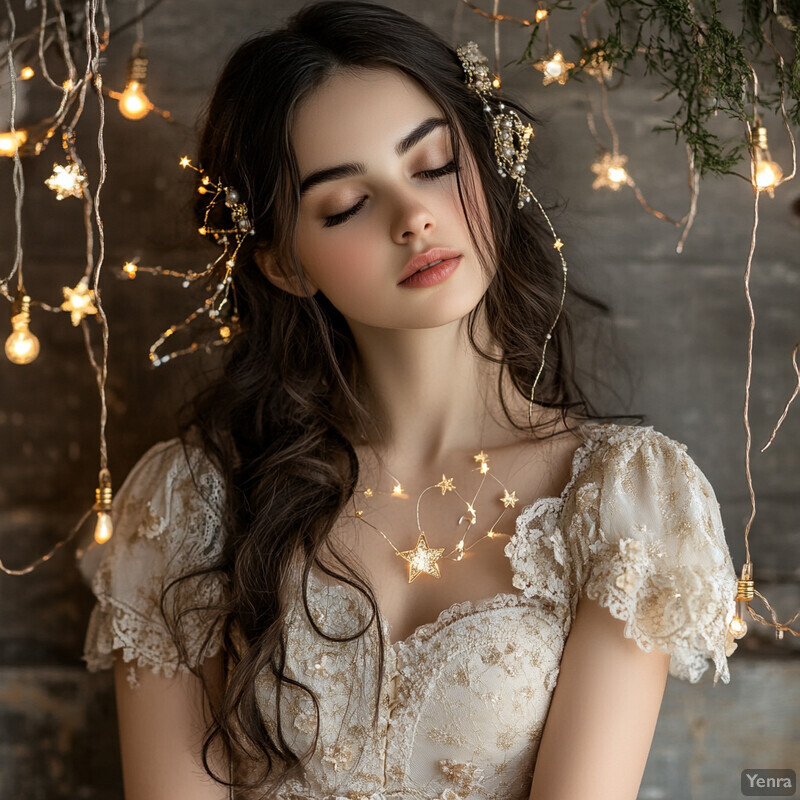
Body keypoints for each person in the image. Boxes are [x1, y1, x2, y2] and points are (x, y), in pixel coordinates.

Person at [79, 2, 740, 798]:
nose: (413, 217)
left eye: (431, 164)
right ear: (287, 264)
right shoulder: (190, 501)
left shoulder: (621, 499)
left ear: (491, 164)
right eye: (346, 206)